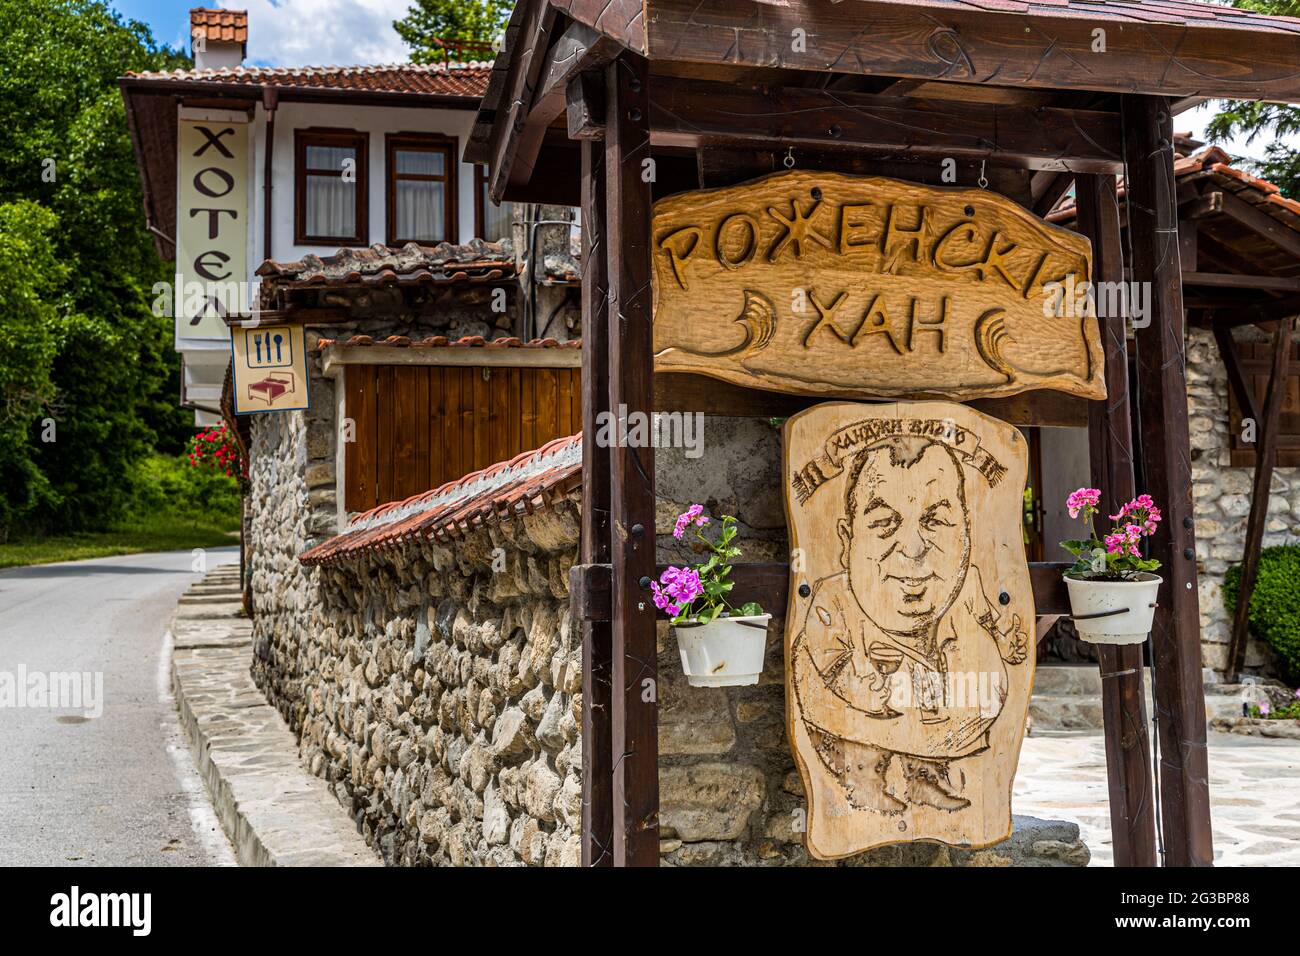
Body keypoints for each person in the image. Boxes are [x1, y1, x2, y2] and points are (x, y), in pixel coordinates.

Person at [791, 435, 1027, 815]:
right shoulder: (834, 596)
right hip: (863, 710)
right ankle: (865, 785)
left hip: (935, 704)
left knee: (925, 739)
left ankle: (925, 782)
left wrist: (1005, 638)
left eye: (936, 521)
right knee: (862, 748)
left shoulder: (967, 584)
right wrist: (854, 686)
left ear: (966, 533)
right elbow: (826, 653)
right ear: (847, 539)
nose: (913, 548)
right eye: (884, 523)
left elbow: (988, 618)